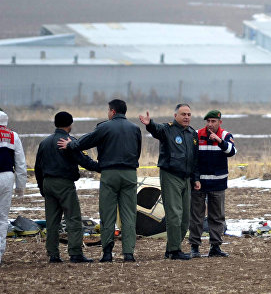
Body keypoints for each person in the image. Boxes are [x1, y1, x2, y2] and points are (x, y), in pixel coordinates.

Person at [58, 99, 142, 263]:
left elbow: (86, 141)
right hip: (130, 174)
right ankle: (128, 253)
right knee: (129, 215)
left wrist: (71, 145)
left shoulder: (104, 127)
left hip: (109, 173)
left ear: (112, 111)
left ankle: (107, 253)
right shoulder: (135, 128)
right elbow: (137, 151)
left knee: (107, 213)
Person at [35, 111, 101, 263]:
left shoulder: (44, 143)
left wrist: (41, 188)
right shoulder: (69, 141)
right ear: (70, 124)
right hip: (64, 184)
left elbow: (38, 168)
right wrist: (101, 167)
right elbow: (83, 160)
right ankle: (75, 253)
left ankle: (53, 254)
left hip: (47, 183)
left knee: (52, 221)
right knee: (73, 218)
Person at [140, 104, 199, 260]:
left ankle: (171, 248)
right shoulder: (168, 129)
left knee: (185, 218)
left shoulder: (192, 134)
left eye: (189, 114)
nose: (186, 117)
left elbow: (195, 159)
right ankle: (174, 251)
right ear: (175, 116)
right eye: (183, 114)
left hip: (186, 178)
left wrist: (196, 178)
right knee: (174, 215)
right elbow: (156, 129)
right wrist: (150, 124)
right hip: (171, 176)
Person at [188, 109, 236, 258]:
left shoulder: (225, 135)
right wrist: (195, 179)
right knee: (196, 216)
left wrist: (220, 141)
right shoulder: (196, 134)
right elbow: (192, 158)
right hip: (199, 183)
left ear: (219, 122)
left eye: (213, 121)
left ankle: (215, 247)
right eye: (208, 121)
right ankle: (194, 247)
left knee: (217, 216)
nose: (210, 124)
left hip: (218, 183)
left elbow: (232, 151)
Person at [0, 110, 28, 266]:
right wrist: (20, 187)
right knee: (2, 218)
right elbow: (21, 165)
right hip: (6, 177)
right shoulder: (13, 136)